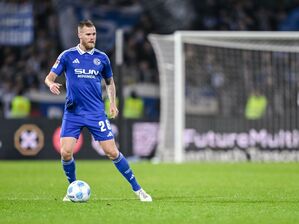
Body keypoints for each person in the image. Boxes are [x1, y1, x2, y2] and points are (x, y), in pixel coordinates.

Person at [45, 19, 152, 202]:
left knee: (112, 152)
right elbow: (49, 77)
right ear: (79, 35)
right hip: (73, 113)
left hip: (95, 112)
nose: (92, 37)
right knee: (66, 153)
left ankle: (138, 190)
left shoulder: (102, 58)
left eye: (94, 34)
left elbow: (110, 82)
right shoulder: (67, 56)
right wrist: (51, 84)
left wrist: (112, 103)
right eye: (88, 34)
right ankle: (72, 188)